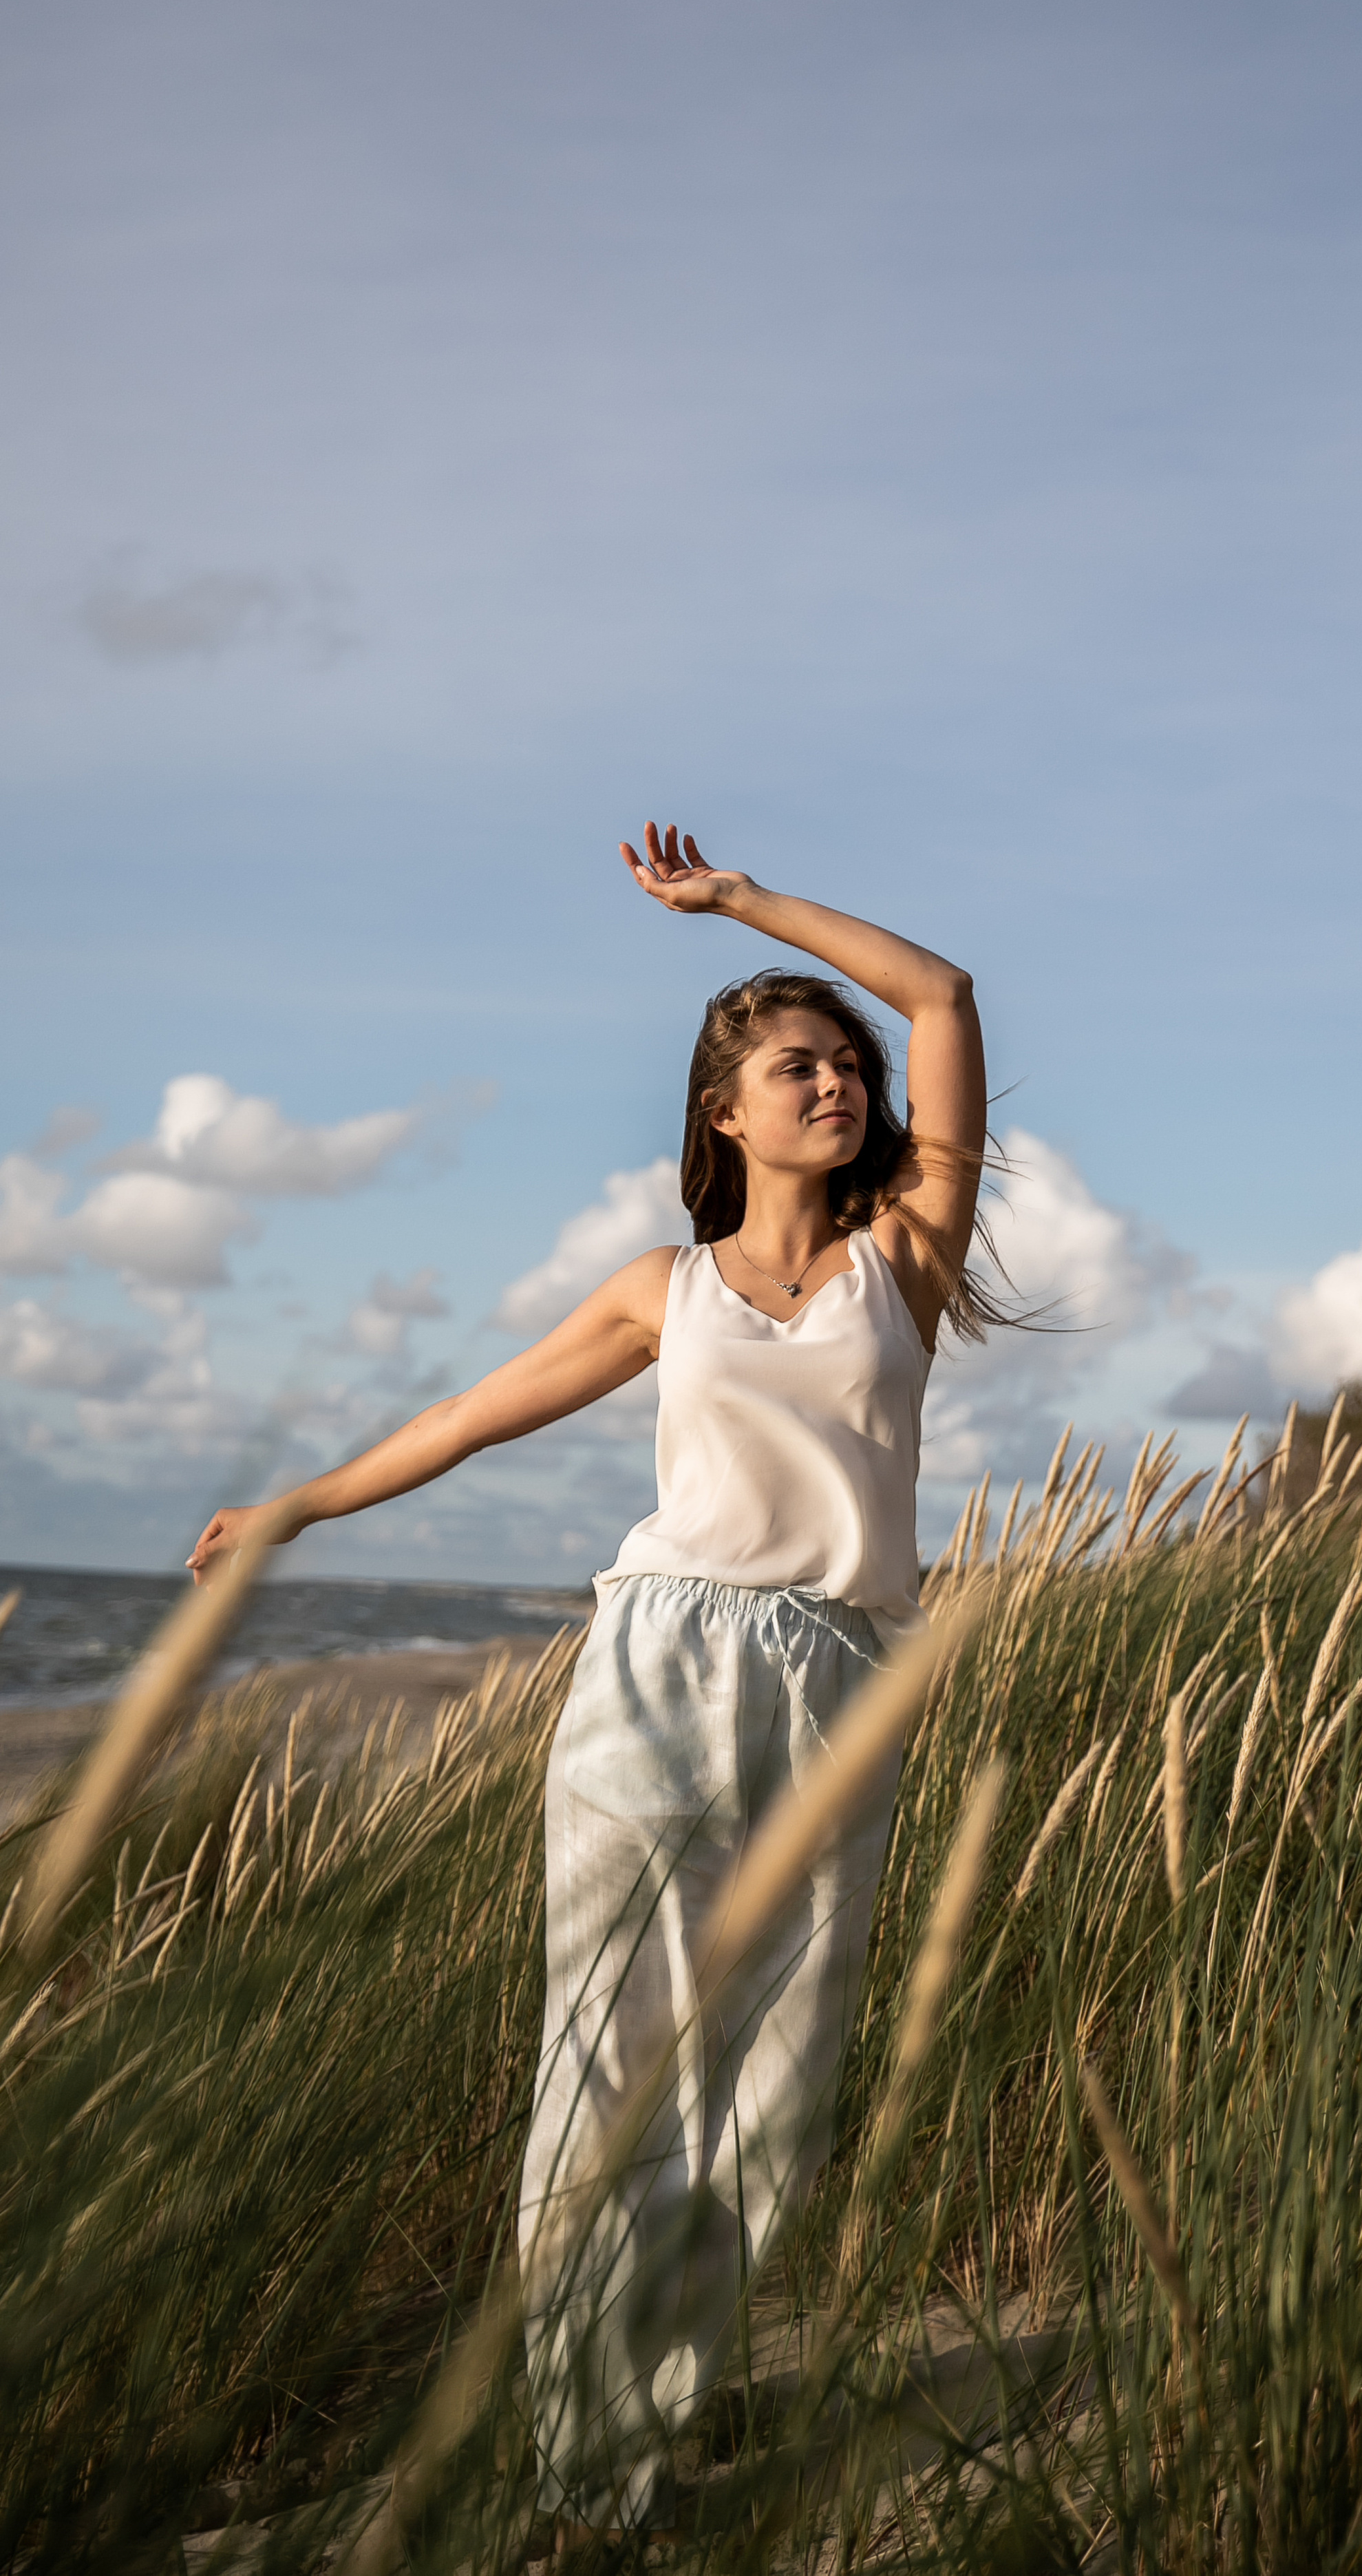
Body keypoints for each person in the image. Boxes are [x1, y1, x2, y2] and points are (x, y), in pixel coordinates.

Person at [187, 830, 992, 2536]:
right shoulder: (665, 1287)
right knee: (609, 2061)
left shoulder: (908, 1255)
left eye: (846, 1063)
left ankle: (659, 2391)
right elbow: (474, 1412)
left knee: (772, 2085)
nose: (839, 1080)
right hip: (659, 1661)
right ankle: (586, 2466)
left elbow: (942, 990)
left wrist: (742, 904)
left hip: (842, 1681)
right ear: (725, 1113)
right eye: (798, 1065)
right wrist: (296, 1510)